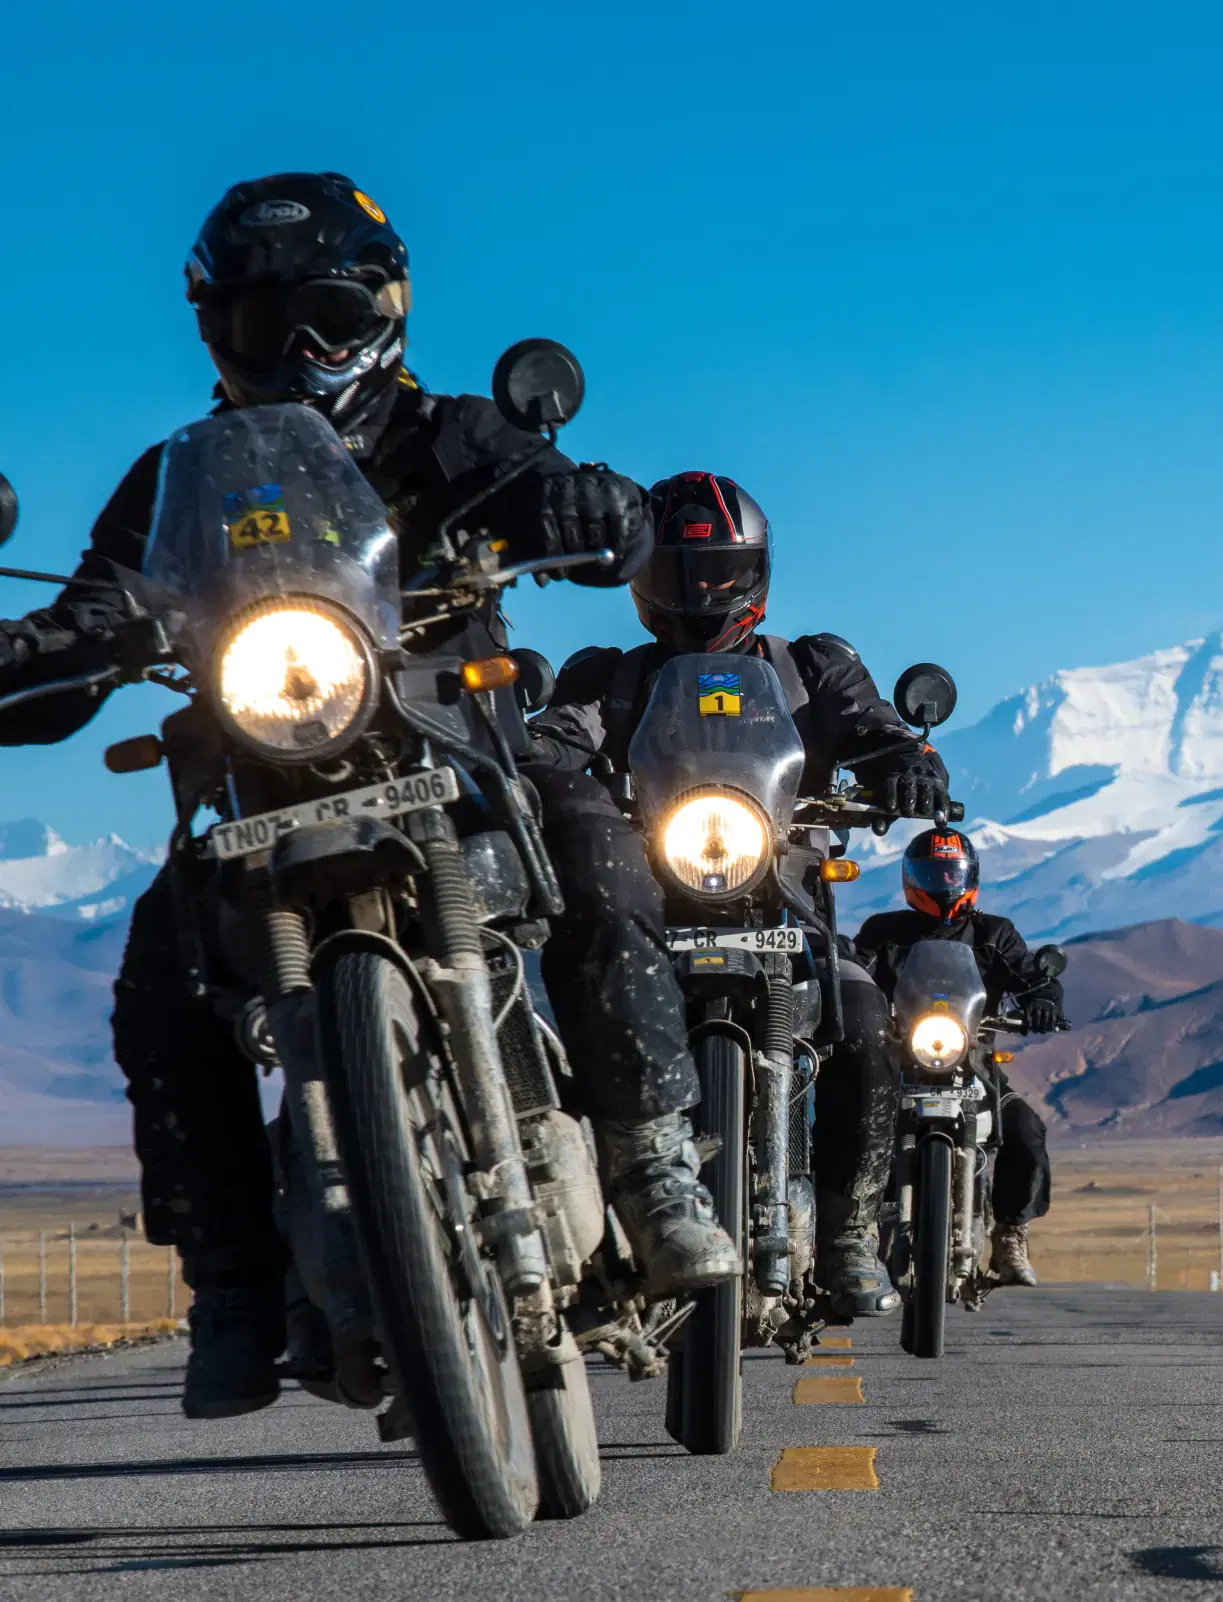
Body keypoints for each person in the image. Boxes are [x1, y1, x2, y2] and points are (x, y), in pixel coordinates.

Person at [0, 172, 735, 1420]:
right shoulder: (178, 478)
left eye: (325, 316)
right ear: (211, 328)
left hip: (463, 737)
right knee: (160, 974)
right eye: (253, 322)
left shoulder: (448, 433)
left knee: (604, 847)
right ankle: (232, 1283)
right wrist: (43, 652)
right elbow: (99, 602)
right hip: (259, 766)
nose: (292, 351)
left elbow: (556, 489)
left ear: (387, 309)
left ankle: (655, 1164)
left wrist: (587, 501)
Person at [525, 470, 950, 1317]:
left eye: (720, 571)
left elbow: (873, 728)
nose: (703, 591)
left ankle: (847, 1237)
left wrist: (907, 764)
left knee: (867, 1029)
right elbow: (557, 739)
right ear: (644, 581)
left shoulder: (809, 669)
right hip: (654, 902)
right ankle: (583, 1236)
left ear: (754, 572)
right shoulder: (610, 676)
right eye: (682, 575)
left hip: (787, 901)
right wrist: (535, 763)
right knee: (561, 1025)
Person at [852, 825, 1062, 1287]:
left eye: (952, 873)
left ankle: (1010, 1233)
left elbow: (1030, 976)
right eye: (933, 873)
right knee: (849, 1123)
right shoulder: (884, 932)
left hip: (975, 1066)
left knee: (1026, 1129)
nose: (944, 884)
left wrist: (1043, 999)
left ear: (970, 877)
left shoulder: (994, 934)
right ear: (911, 878)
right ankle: (850, 1232)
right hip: (897, 1063)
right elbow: (854, 970)